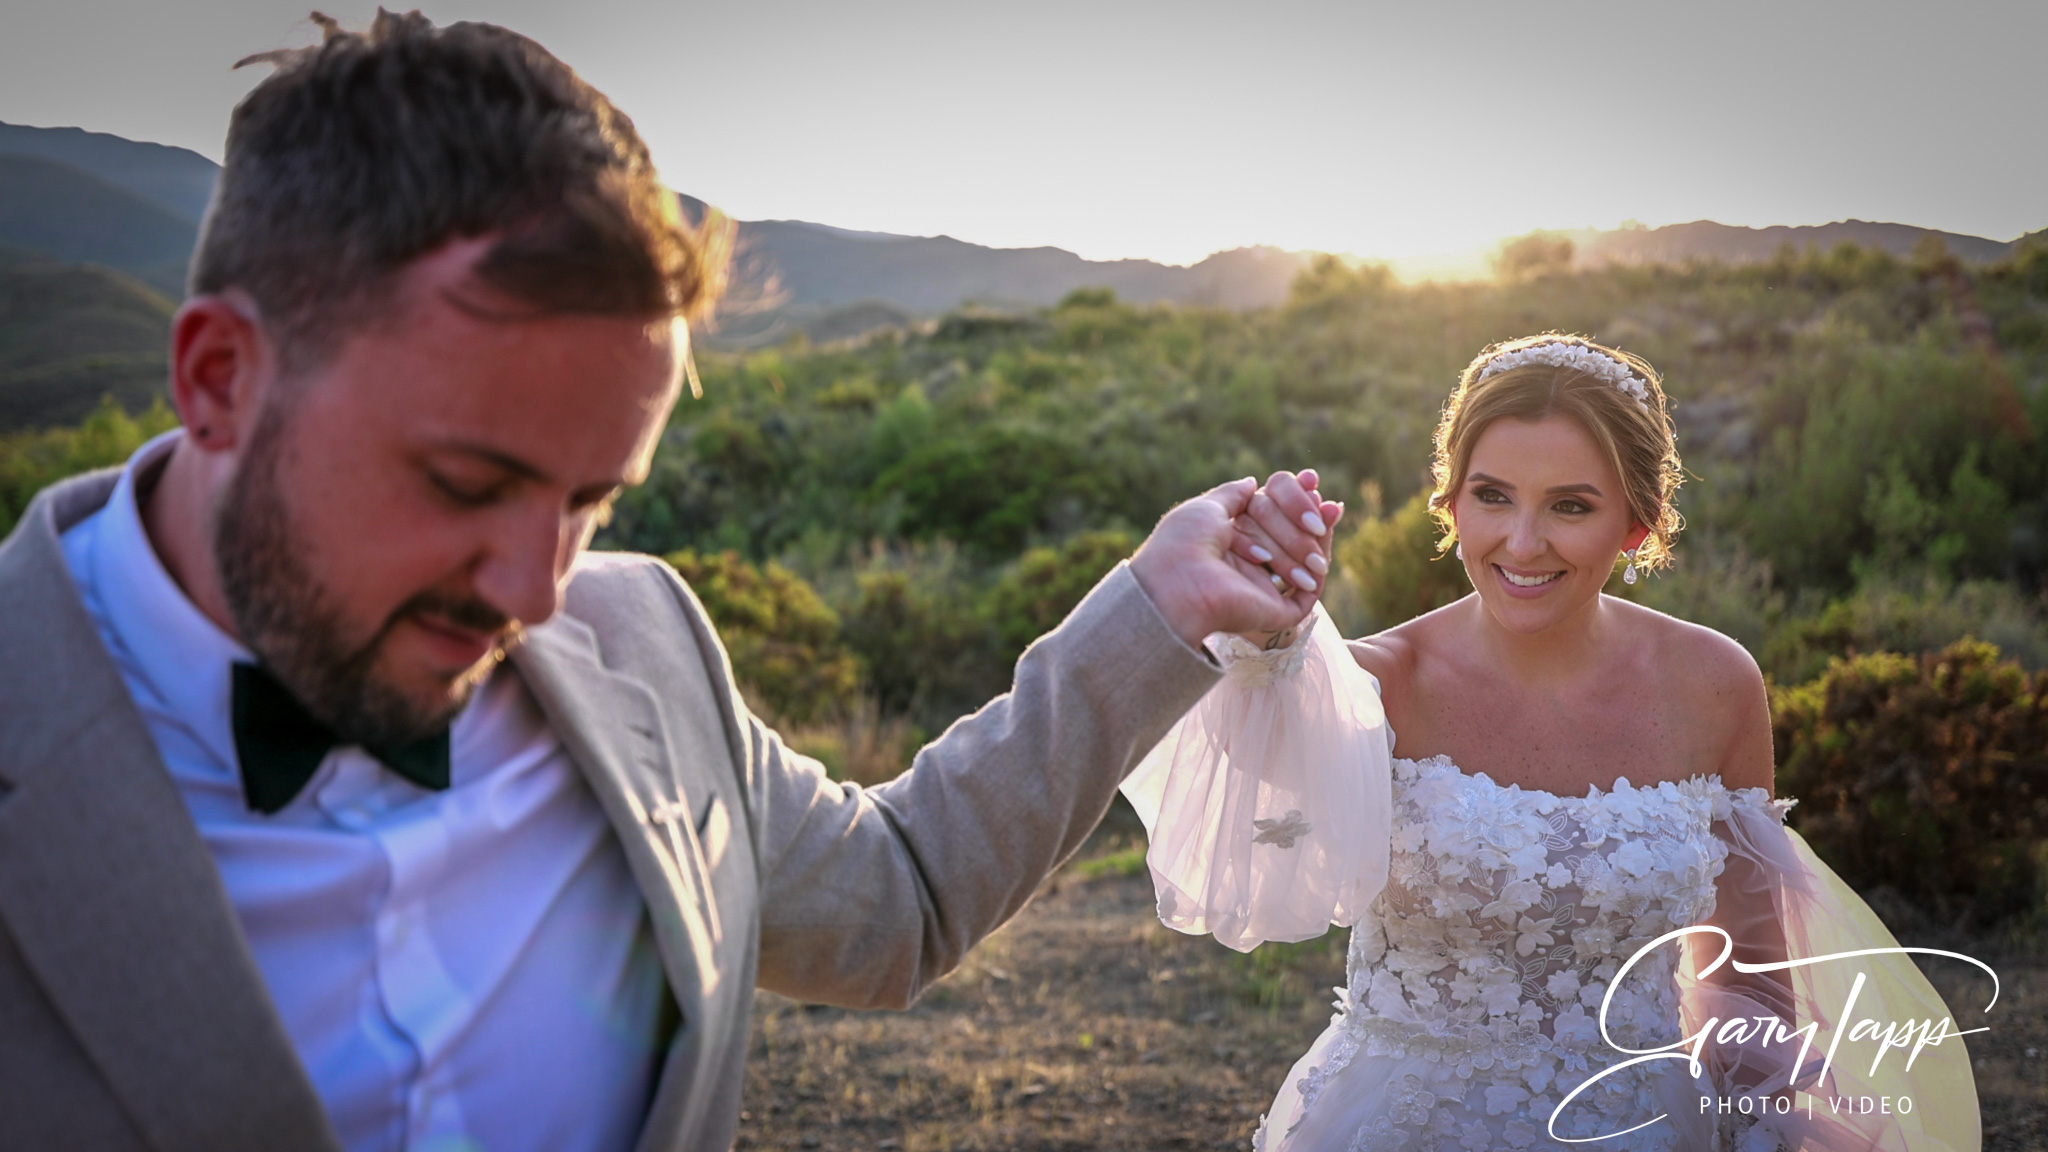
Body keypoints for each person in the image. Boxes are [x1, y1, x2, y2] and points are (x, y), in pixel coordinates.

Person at [0, 12, 1345, 1151]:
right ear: (220, 378)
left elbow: (900, 900)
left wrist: (1160, 608)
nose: (534, 594)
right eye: (466, 483)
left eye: (590, 501)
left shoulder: (637, 633)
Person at [1125, 335, 1986, 1150]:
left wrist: (1755, 1130)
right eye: (1491, 496)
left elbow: (1751, 984)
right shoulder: (1373, 684)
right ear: (1451, 501)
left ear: (1638, 525)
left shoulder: (1715, 683)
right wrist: (1265, 644)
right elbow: (1249, 840)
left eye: (1570, 506)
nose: (1522, 543)